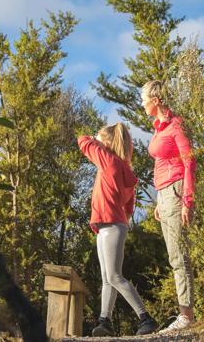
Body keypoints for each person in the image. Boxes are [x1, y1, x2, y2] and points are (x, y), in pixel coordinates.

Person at [78, 123, 158, 337]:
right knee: (107, 277)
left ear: (108, 143)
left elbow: (83, 141)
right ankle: (105, 321)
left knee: (114, 276)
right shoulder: (126, 169)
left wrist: (95, 138)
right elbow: (129, 207)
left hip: (110, 225)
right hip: (112, 224)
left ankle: (145, 318)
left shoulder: (108, 160)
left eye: (102, 140)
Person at [141, 80, 196, 333]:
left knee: (178, 255)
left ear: (156, 100)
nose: (142, 104)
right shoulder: (158, 128)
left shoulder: (175, 125)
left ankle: (186, 315)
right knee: (173, 255)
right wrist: (158, 201)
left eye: (144, 99)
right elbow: (161, 163)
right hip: (165, 194)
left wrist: (187, 200)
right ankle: (184, 312)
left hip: (176, 190)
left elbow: (189, 162)